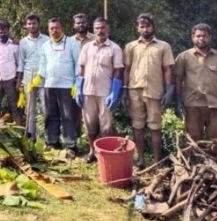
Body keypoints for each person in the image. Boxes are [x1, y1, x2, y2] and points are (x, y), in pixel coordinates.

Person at [123, 13, 174, 168]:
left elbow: (167, 69)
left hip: (154, 91)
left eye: (148, 26)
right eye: (142, 26)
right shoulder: (131, 46)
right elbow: (126, 69)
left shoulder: (163, 46)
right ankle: (141, 160)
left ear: (153, 27)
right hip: (135, 90)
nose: (145, 29)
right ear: (137, 28)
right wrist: (124, 90)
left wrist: (169, 89)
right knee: (137, 125)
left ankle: (157, 162)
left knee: (155, 126)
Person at [74, 17, 124, 163]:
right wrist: (78, 88)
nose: (99, 31)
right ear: (93, 29)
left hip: (105, 93)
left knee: (106, 126)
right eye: (96, 28)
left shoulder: (114, 48)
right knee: (90, 125)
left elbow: (118, 71)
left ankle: (105, 154)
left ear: (107, 29)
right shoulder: (87, 47)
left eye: (102, 28)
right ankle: (92, 152)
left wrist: (115, 92)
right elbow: (81, 68)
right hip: (88, 91)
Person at [38, 18, 81, 157]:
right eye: (51, 28)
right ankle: (52, 142)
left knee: (68, 116)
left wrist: (77, 83)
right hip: (49, 85)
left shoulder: (72, 43)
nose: (54, 31)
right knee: (51, 115)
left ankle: (71, 145)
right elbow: (42, 65)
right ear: (48, 30)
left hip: (67, 86)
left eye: (57, 28)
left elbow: (78, 64)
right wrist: (38, 77)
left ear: (62, 29)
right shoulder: (45, 45)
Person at [173, 23, 217, 141]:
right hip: (192, 104)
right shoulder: (184, 57)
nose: (201, 38)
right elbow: (177, 78)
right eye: (198, 36)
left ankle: (211, 160)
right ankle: (192, 160)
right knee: (193, 139)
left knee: (215, 140)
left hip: (214, 105)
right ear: (193, 37)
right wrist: (178, 101)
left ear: (210, 37)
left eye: (204, 36)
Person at [18, 14, 49, 140]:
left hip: (43, 78)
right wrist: (19, 80)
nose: (32, 26)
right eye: (29, 24)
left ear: (39, 24)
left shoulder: (47, 39)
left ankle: (47, 138)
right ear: (26, 26)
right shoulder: (23, 42)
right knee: (30, 110)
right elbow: (21, 62)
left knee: (46, 108)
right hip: (28, 79)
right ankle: (31, 136)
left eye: (34, 23)